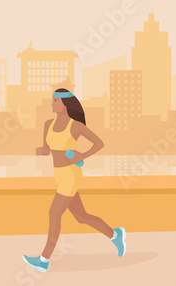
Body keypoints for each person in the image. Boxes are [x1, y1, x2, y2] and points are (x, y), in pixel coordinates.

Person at [22, 88, 126, 272]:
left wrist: (80, 156)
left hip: (70, 175)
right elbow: (48, 150)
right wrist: (40, 150)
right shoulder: (47, 124)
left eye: (55, 101)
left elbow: (99, 143)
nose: (52, 104)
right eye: (52, 100)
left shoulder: (75, 126)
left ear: (64, 104)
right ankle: (115, 234)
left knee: (54, 213)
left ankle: (44, 259)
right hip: (59, 174)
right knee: (81, 216)